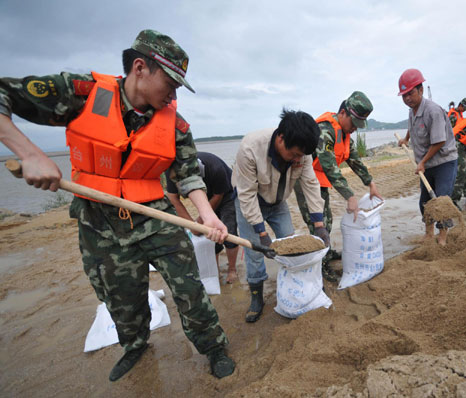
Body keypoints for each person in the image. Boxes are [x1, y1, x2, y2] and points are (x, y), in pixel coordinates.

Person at [0, 30, 235, 381]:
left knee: (189, 287)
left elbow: (187, 175)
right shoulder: (81, 93)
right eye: (170, 82)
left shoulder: (174, 123)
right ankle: (135, 344)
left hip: (155, 218)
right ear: (140, 68)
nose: (173, 93)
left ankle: (214, 347)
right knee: (121, 300)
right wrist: (29, 154)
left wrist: (208, 215)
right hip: (99, 223)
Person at [231, 109, 330, 323]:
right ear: (281, 138)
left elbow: (311, 185)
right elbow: (246, 195)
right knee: (256, 250)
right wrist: (262, 233)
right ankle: (257, 296)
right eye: (294, 154)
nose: (297, 159)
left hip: (278, 201)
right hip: (250, 200)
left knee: (291, 241)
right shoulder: (250, 148)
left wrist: (319, 224)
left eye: (300, 156)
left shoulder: (302, 151)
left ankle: (298, 288)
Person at [293, 91, 382, 282]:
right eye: (354, 124)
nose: (355, 129)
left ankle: (326, 252)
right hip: (305, 180)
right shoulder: (325, 130)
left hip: (320, 180)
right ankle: (320, 266)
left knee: (327, 220)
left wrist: (370, 182)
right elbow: (329, 166)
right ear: (343, 113)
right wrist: (350, 196)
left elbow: (354, 159)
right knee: (317, 224)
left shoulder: (345, 132)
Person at [396, 69, 458, 246]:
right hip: (426, 162)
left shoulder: (433, 111)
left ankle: (443, 237)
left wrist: (421, 162)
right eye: (404, 95)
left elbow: (439, 142)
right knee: (425, 201)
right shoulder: (412, 110)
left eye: (411, 93)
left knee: (441, 200)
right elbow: (413, 126)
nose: (407, 98)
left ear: (421, 90)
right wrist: (406, 139)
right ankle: (429, 234)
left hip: (444, 160)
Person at [165, 152, 239, 284]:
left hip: (225, 194)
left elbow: (218, 196)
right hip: (205, 196)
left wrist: (201, 219)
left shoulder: (215, 168)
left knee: (229, 231)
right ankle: (214, 270)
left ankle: (232, 269)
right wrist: (192, 225)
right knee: (209, 235)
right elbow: (173, 199)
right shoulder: (172, 172)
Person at [447, 98, 466, 206]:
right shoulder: (453, 115)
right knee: (460, 171)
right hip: (455, 146)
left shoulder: (460, 115)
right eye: (464, 108)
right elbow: (448, 131)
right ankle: (454, 199)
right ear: (460, 105)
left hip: (463, 145)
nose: (464, 110)